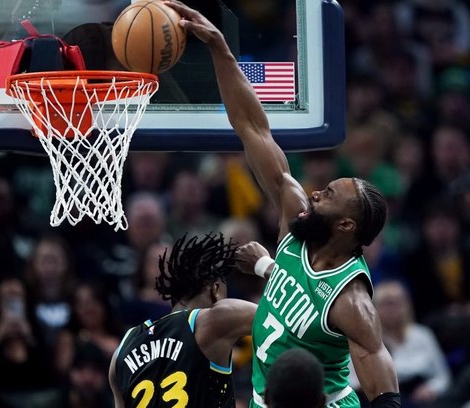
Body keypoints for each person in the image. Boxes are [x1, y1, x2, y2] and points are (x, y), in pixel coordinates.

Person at [163, 2, 400, 407]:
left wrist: (265, 267)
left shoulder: (349, 301)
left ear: (346, 226)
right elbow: (252, 127)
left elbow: (384, 390)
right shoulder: (297, 219)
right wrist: (221, 51)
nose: (313, 193)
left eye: (327, 196)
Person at [108, 232, 258, 407]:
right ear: (215, 290)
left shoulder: (122, 351)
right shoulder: (213, 320)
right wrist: (265, 265)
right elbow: (286, 318)